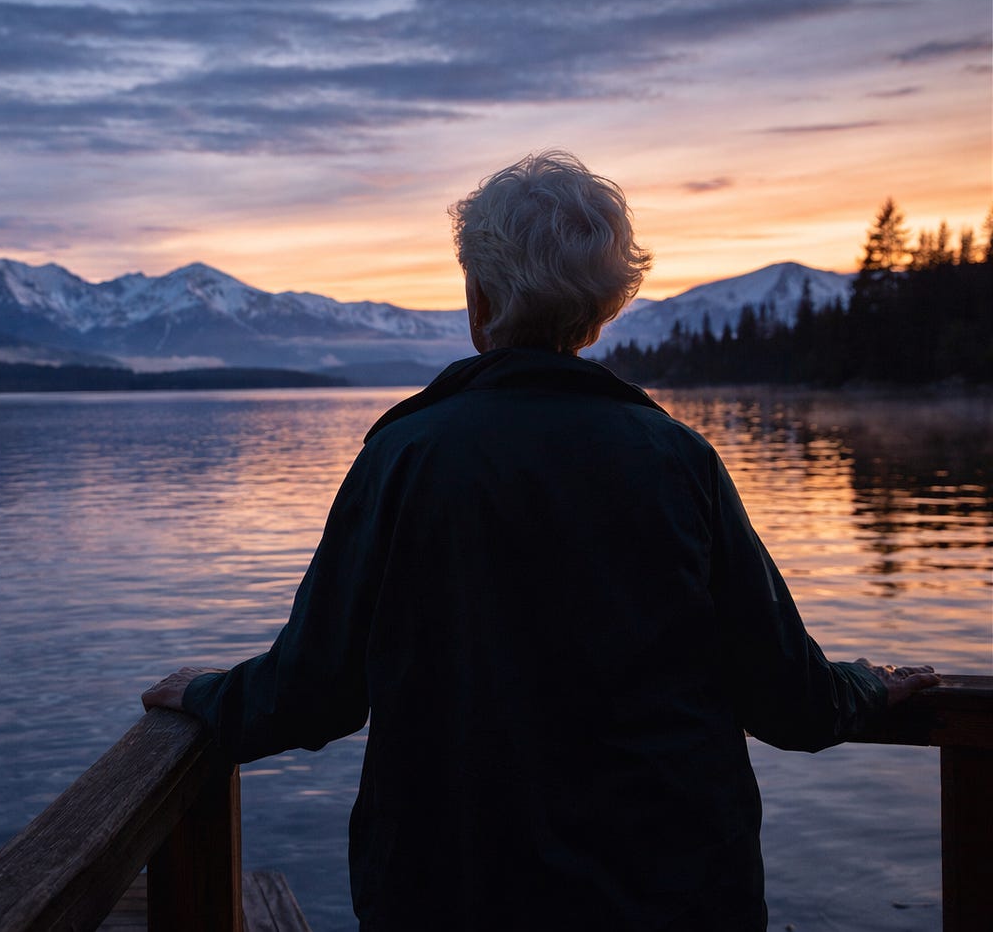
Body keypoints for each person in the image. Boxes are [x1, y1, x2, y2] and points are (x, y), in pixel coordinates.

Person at [141, 150, 938, 931]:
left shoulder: (406, 456)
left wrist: (208, 694)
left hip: (451, 893)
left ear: (478, 298)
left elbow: (312, 689)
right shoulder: (676, 460)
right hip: (674, 895)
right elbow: (790, 699)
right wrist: (869, 684)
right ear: (602, 313)